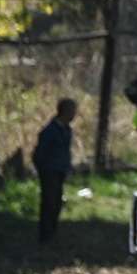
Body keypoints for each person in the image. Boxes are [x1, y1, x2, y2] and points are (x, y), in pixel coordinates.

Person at [31, 98, 78, 243]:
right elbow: (40, 153)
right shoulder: (50, 131)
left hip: (60, 171)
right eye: (72, 111)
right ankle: (45, 235)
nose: (74, 114)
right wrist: (43, 169)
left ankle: (52, 233)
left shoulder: (67, 130)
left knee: (57, 203)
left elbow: (65, 152)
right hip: (49, 171)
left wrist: (67, 167)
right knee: (49, 202)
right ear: (64, 111)